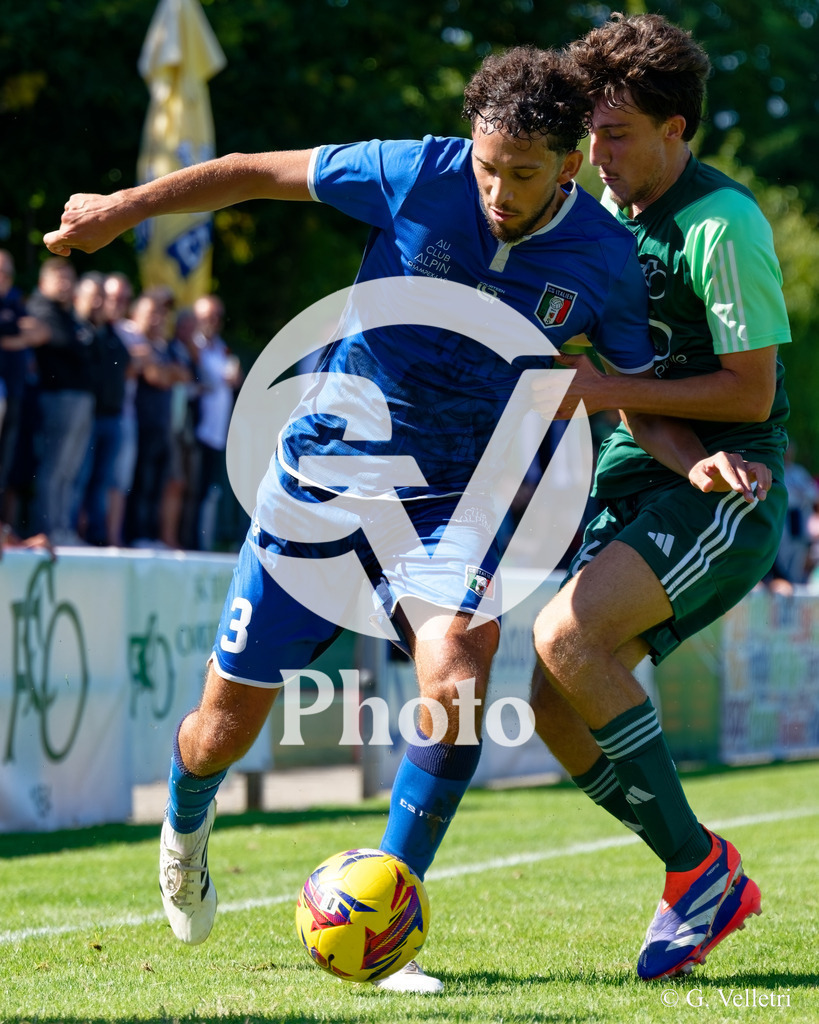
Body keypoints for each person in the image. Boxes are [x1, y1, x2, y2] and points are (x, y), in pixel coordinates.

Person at [45, 46, 766, 993]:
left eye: (522, 173)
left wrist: (691, 456)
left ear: (567, 165)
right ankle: (188, 818)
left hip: (457, 502)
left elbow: (626, 396)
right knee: (221, 730)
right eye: (485, 165)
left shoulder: (603, 257)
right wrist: (119, 208)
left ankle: (385, 915)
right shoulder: (414, 170)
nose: (497, 192)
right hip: (326, 477)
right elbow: (255, 174)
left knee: (460, 669)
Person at [527, 13, 791, 983]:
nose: (598, 153)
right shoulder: (598, 229)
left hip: (737, 479)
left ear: (678, 128)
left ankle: (696, 870)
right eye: (590, 131)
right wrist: (647, 430)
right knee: (550, 706)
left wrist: (603, 395)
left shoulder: (725, 226)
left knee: (566, 639)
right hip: (655, 467)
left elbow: (749, 391)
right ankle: (703, 866)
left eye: (620, 132)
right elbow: (633, 398)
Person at [26, 257, 97, 544]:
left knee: (69, 471)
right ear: (44, 283)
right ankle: (49, 529)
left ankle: (62, 528)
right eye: (60, 278)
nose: (67, 284)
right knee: (54, 469)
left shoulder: (68, 315)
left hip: (79, 399)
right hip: (57, 399)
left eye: (70, 278)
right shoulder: (40, 311)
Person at [189, 293, 242, 550]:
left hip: (216, 432)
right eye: (206, 316)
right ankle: (189, 541)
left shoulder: (221, 348)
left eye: (216, 317)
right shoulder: (191, 347)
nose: (212, 322)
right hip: (194, 429)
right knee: (191, 488)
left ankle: (201, 541)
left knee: (206, 490)